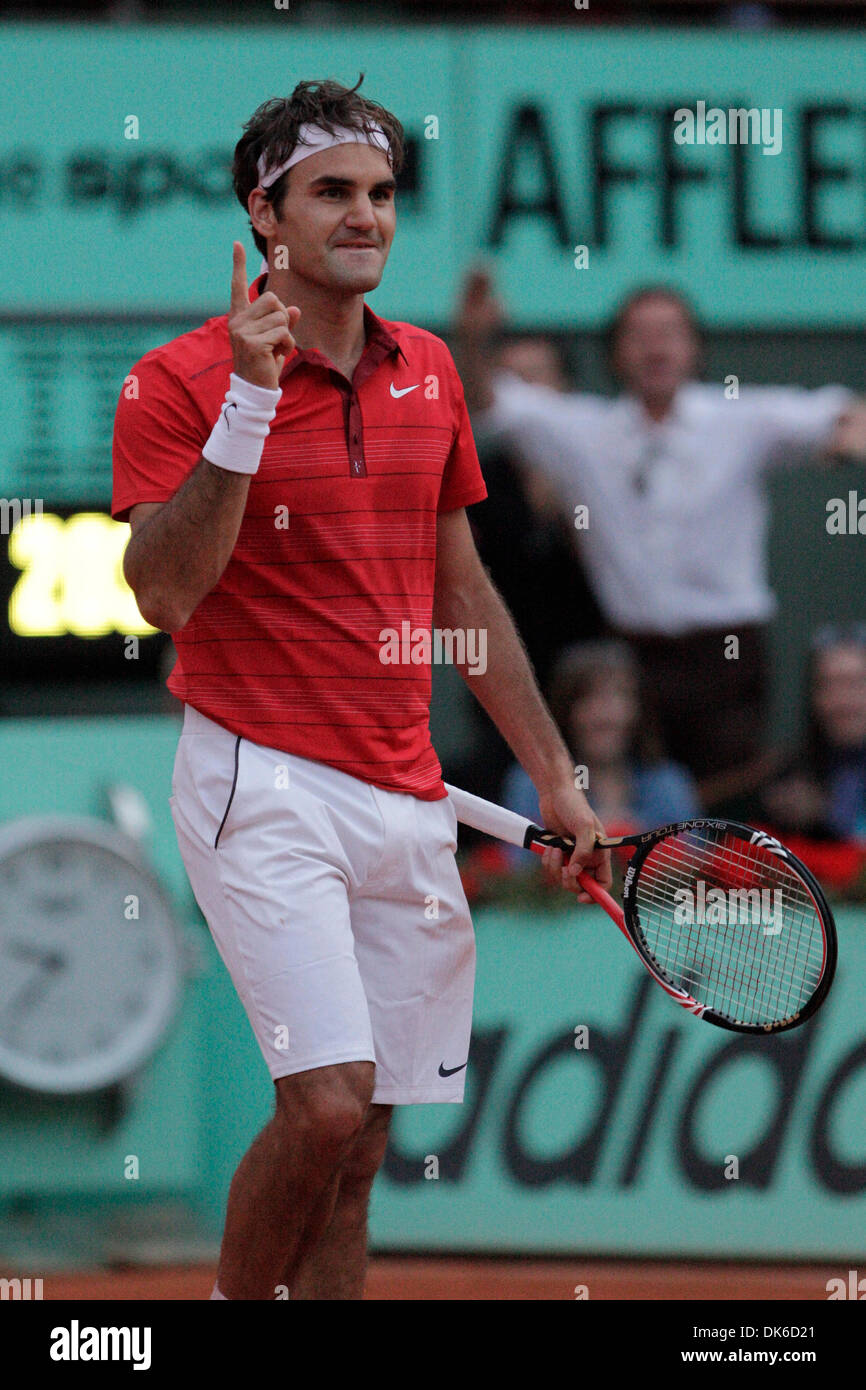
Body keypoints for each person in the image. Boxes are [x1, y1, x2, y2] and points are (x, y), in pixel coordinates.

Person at [111, 77, 610, 1302]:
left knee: (366, 1145)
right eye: (331, 193)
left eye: (381, 194)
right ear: (263, 217)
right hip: (258, 777)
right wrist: (246, 406)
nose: (365, 217)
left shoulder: (430, 369)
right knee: (326, 1108)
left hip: (404, 790)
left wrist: (556, 774)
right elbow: (162, 595)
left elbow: (463, 595)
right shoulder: (174, 381)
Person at [456, 270, 866, 793]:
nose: (655, 347)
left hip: (728, 653)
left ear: (694, 347)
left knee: (723, 808)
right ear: (615, 353)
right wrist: (472, 333)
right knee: (640, 804)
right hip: (634, 655)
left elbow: (845, 414)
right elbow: (491, 402)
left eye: (669, 332)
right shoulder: (588, 431)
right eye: (638, 334)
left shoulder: (740, 419)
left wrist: (848, 442)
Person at [503, 641, 699, 858]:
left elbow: (696, 864)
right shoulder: (531, 784)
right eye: (589, 698)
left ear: (637, 709)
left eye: (618, 696)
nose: (605, 716)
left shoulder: (668, 783)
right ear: (566, 711)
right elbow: (516, 873)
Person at [760, 625, 866, 842]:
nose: (841, 701)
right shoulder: (795, 766)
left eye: (854, 684)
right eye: (826, 685)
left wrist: (825, 814)